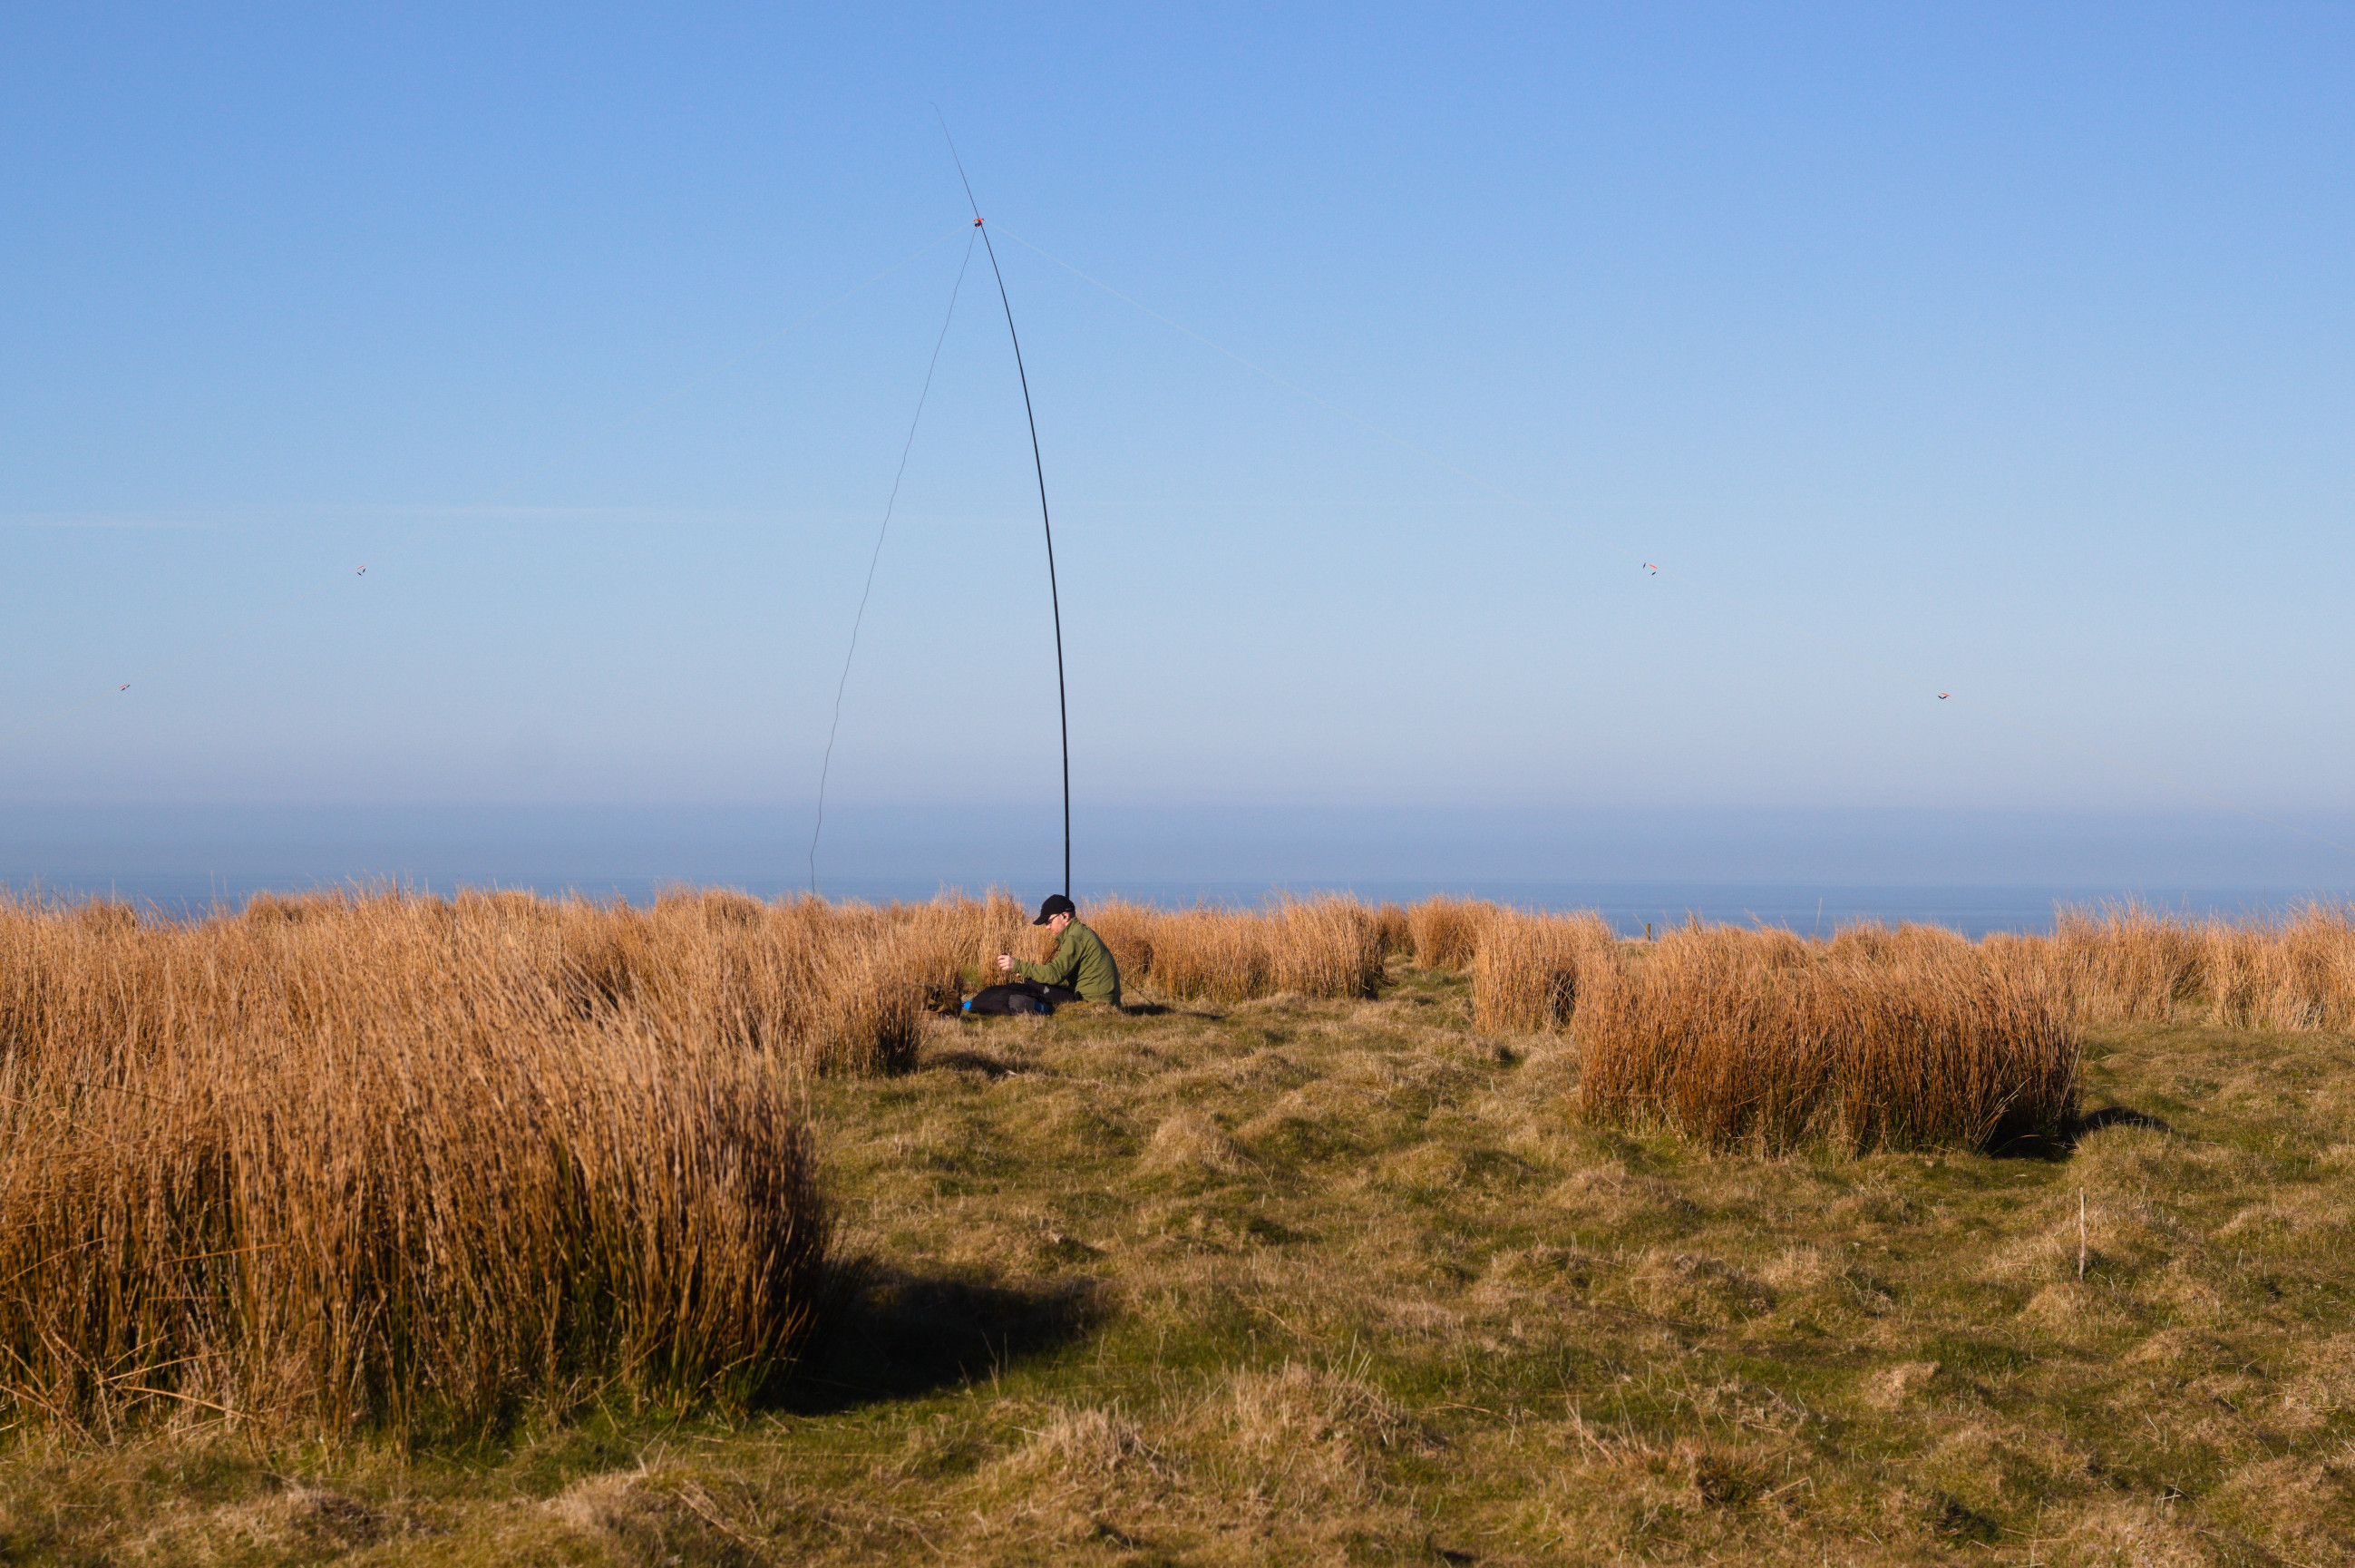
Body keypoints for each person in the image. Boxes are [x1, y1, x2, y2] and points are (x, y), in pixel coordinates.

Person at [963, 893, 1122, 1014]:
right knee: (1035, 983)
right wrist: (1031, 974)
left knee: (1034, 988)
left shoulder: (1075, 937)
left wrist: (1018, 965)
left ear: (1065, 916)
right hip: (1100, 1000)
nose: (1047, 927)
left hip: (1094, 1003)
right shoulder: (1079, 933)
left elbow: (1055, 974)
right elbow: (1065, 977)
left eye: (1049, 921)